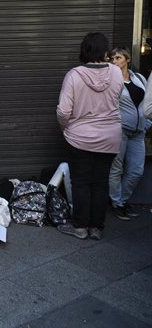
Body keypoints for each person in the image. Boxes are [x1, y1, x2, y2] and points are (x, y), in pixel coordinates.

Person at [56, 32, 122, 241]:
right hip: (110, 137)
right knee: (101, 182)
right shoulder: (116, 73)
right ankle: (97, 228)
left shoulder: (74, 75)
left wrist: (66, 128)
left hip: (80, 137)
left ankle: (80, 227)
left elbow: (63, 111)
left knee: (81, 182)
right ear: (105, 51)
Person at [107, 48, 147, 220]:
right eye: (111, 58)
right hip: (120, 131)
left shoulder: (139, 78)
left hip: (139, 132)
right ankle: (117, 204)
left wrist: (147, 124)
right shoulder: (110, 81)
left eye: (118, 57)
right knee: (116, 169)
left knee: (136, 170)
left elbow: (147, 102)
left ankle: (121, 201)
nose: (114, 61)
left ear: (127, 60)